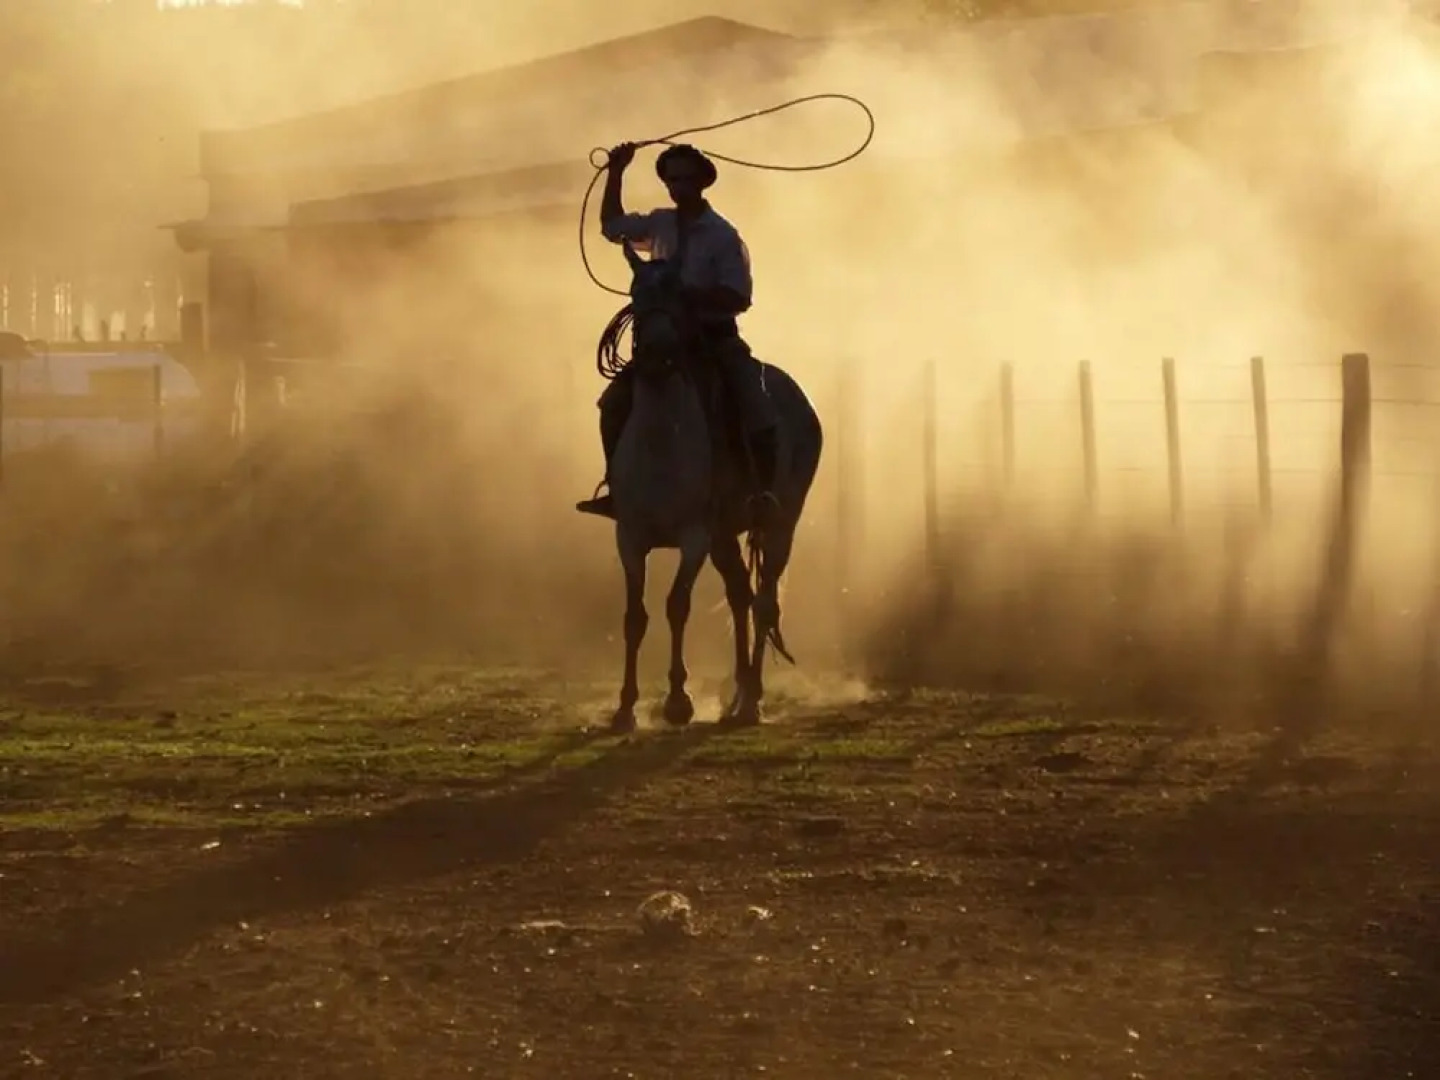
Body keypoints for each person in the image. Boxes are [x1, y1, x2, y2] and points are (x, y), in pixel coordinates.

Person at [575, 140, 779, 520]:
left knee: (753, 399)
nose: (678, 187)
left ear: (703, 182)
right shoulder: (659, 223)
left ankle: (762, 494)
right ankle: (617, 488)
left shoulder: (723, 235)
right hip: (663, 341)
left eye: (686, 179)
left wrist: (686, 296)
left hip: (714, 339)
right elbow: (611, 227)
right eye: (672, 180)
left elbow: (738, 296)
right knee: (614, 402)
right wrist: (616, 172)